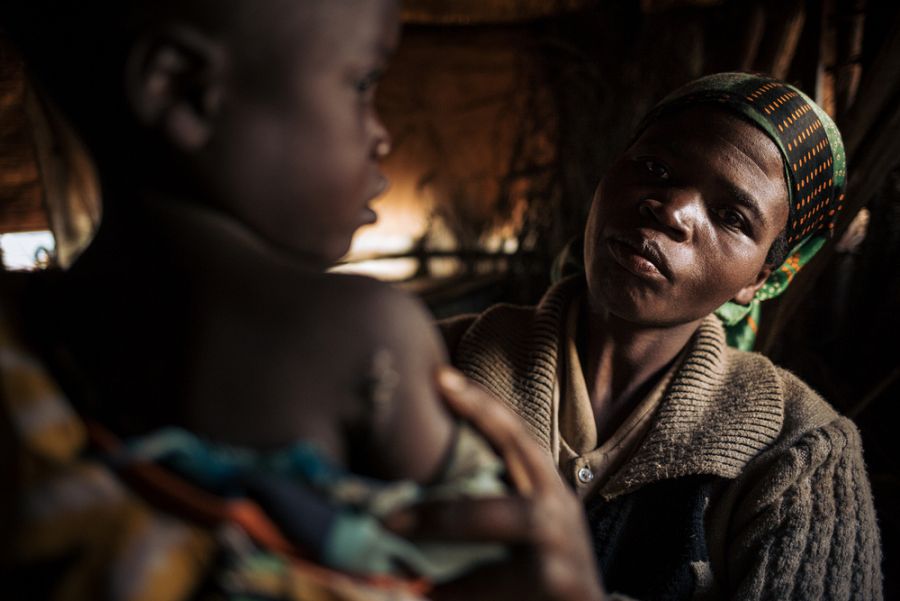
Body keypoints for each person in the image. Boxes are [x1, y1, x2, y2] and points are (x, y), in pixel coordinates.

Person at [0, 0, 506, 599]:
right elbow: (498, 564)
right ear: (183, 89)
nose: (382, 133)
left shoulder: (33, 327)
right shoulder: (362, 331)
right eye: (362, 82)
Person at [397, 73, 882, 600]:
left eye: (730, 216)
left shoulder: (800, 455)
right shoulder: (421, 363)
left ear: (760, 279)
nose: (671, 210)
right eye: (655, 168)